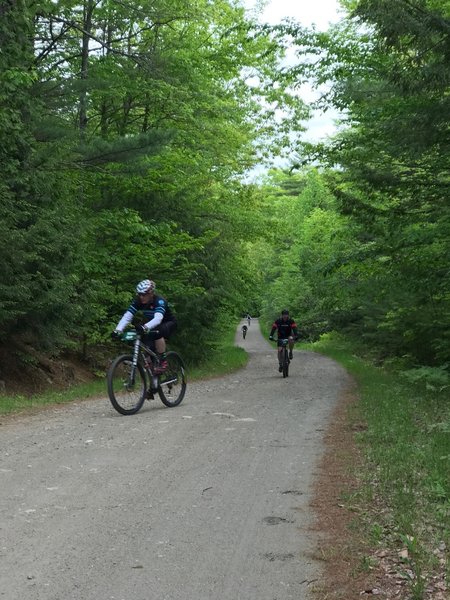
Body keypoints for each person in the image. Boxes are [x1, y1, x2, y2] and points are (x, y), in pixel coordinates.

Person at [112, 279, 177, 373]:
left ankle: (163, 361)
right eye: (139, 294)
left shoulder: (159, 301)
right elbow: (127, 316)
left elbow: (158, 319)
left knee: (157, 332)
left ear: (151, 293)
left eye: (144, 294)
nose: (141, 297)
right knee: (144, 339)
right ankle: (152, 372)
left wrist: (144, 327)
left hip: (168, 322)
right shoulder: (138, 301)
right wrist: (118, 330)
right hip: (152, 324)